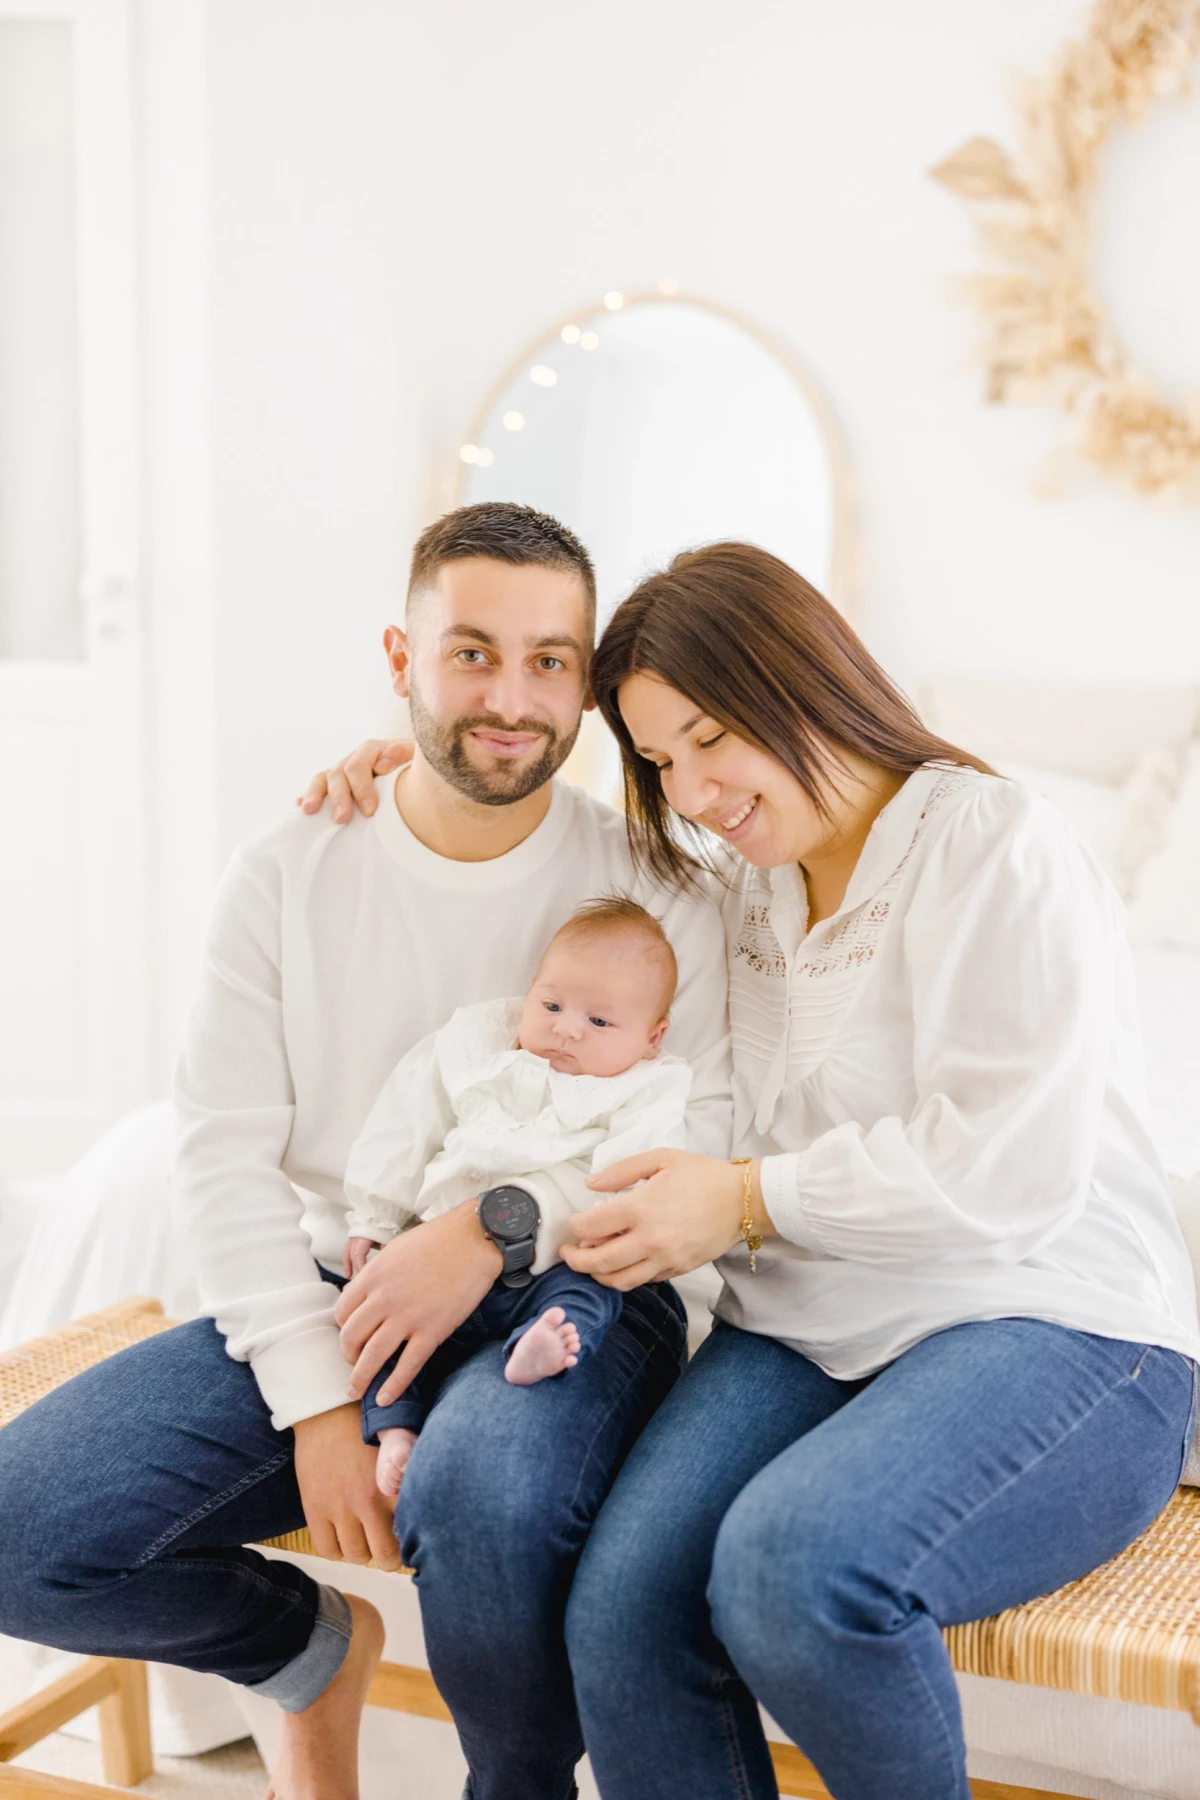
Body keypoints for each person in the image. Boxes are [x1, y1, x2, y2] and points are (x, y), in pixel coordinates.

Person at [0, 503, 731, 1800]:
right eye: (472, 652)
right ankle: (302, 1652)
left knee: (484, 1502)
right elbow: (218, 1158)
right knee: (19, 1532)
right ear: (401, 655)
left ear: (588, 687)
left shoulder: (658, 886)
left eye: (551, 660)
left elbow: (706, 1135)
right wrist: (320, 1411)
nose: (512, 697)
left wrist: (501, 1221)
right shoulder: (289, 873)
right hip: (350, 1279)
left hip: (584, 1290)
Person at [531, 541, 1199, 1800]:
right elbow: (563, 879)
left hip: (1051, 1315)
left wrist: (742, 1199)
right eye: (662, 760)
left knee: (796, 1569)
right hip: (811, 1321)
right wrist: (415, 774)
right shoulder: (737, 890)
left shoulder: (994, 842)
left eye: (712, 736)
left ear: (799, 678)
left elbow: (1009, 1168)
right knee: (623, 1609)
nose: (695, 789)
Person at [343, 895, 692, 1496]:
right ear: (530, 991)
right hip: (432, 1255)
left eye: (600, 1022)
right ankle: (395, 1429)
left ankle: (542, 1348)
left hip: (552, 1265)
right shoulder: (481, 1049)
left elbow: (633, 1183)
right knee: (381, 1317)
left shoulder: (646, 1091)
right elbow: (406, 1122)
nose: (566, 1028)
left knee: (592, 1294)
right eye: (552, 1004)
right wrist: (375, 1212)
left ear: (653, 1037)